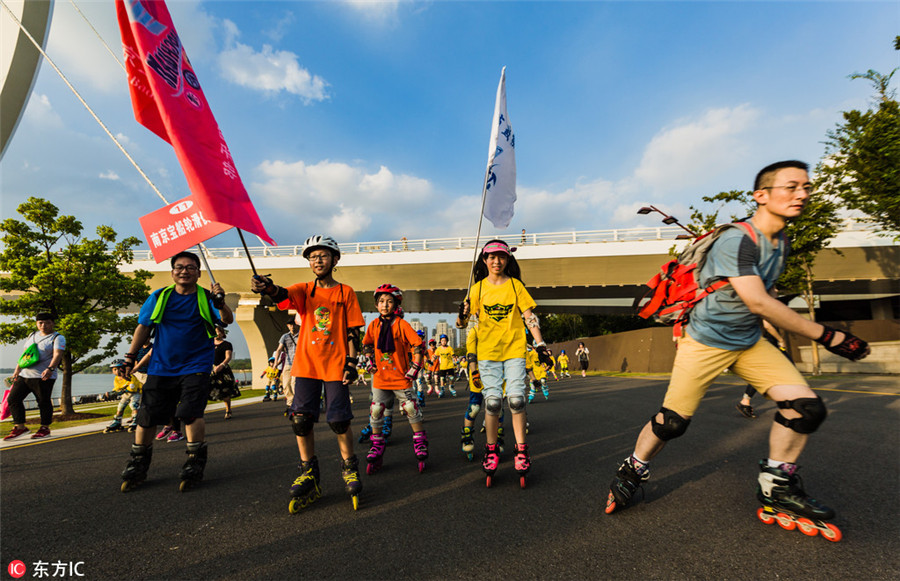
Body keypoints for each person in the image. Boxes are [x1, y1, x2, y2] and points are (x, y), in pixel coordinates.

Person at [603, 161, 870, 540]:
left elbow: (767, 293)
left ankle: (776, 485)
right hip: (705, 343)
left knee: (806, 410)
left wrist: (774, 334)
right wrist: (829, 336)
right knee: (672, 423)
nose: (802, 194)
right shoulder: (737, 239)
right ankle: (633, 468)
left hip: (748, 342)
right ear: (761, 195)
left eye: (807, 187)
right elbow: (757, 300)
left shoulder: (781, 241)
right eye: (791, 186)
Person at [251, 235, 365, 511]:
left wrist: (351, 363)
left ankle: (349, 467)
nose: (318, 260)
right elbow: (282, 294)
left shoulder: (345, 291)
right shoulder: (305, 290)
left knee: (339, 421)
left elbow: (352, 332)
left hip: (336, 364)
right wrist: (267, 286)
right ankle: (308, 471)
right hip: (306, 364)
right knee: (301, 421)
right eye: (313, 256)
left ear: (335, 259)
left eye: (323, 255)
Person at [119, 251, 233, 492]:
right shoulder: (159, 297)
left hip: (196, 366)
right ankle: (138, 463)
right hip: (162, 365)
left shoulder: (206, 296)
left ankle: (194, 462)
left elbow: (227, 320)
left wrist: (220, 302)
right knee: (147, 415)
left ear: (199, 273)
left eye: (190, 267)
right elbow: (143, 327)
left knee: (190, 413)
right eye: (179, 267)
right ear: (172, 272)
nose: (184, 271)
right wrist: (130, 357)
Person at [458, 239, 552, 488]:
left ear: (507, 259)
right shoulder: (476, 289)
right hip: (487, 353)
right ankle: (491, 450)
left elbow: (529, 316)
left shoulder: (515, 286)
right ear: (484, 261)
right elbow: (464, 324)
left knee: (517, 400)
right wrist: (462, 313)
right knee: (491, 403)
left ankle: (521, 450)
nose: (496, 261)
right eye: (491, 257)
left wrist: (540, 344)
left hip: (514, 350)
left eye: (501, 257)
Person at [361, 284, 428, 474]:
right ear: (376, 305)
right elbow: (366, 344)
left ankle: (420, 441)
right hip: (381, 378)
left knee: (410, 408)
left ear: (396, 304)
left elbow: (417, 345)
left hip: (401, 377)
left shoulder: (401, 324)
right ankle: (376, 445)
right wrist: (369, 361)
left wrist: (415, 367)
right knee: (376, 411)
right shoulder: (373, 325)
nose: (385, 305)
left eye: (389, 302)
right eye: (381, 301)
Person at [4, 312, 66, 440]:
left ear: (53, 323)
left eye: (47, 322)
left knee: (43, 401)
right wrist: (17, 370)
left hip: (43, 376)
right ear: (37, 323)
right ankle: (20, 427)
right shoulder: (32, 335)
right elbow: (25, 354)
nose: (44, 325)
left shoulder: (57, 338)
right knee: (13, 399)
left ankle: (44, 428)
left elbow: (57, 355)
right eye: (40, 323)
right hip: (24, 374)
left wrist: (50, 368)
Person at [736, 320, 791, 419]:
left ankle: (745, 401)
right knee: (789, 367)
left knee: (765, 374)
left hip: (764, 344)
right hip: (768, 344)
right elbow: (767, 325)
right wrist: (781, 340)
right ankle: (789, 403)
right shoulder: (767, 307)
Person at [209, 325, 240, 419]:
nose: (217, 333)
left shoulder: (227, 344)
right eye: (215, 331)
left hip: (223, 370)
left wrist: (221, 365)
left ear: (222, 333)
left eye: (219, 331)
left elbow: (228, 357)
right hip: (210, 370)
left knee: (225, 391)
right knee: (204, 390)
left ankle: (228, 410)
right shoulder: (208, 343)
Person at [104, 360, 143, 433]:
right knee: (120, 406)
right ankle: (117, 421)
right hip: (126, 394)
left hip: (135, 392)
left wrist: (123, 390)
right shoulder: (116, 379)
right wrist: (113, 392)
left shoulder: (130, 376)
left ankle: (136, 420)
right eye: (114, 369)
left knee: (133, 405)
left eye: (119, 369)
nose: (117, 371)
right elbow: (117, 387)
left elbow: (133, 387)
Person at [273, 319, 300, 416]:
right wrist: (276, 363)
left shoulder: (302, 335)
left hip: (299, 364)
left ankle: (296, 405)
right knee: (286, 385)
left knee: (294, 384)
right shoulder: (285, 336)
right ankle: (290, 405)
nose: (292, 327)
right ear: (287, 326)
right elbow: (279, 349)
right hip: (288, 364)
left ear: (297, 325)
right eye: (290, 325)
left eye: (294, 325)